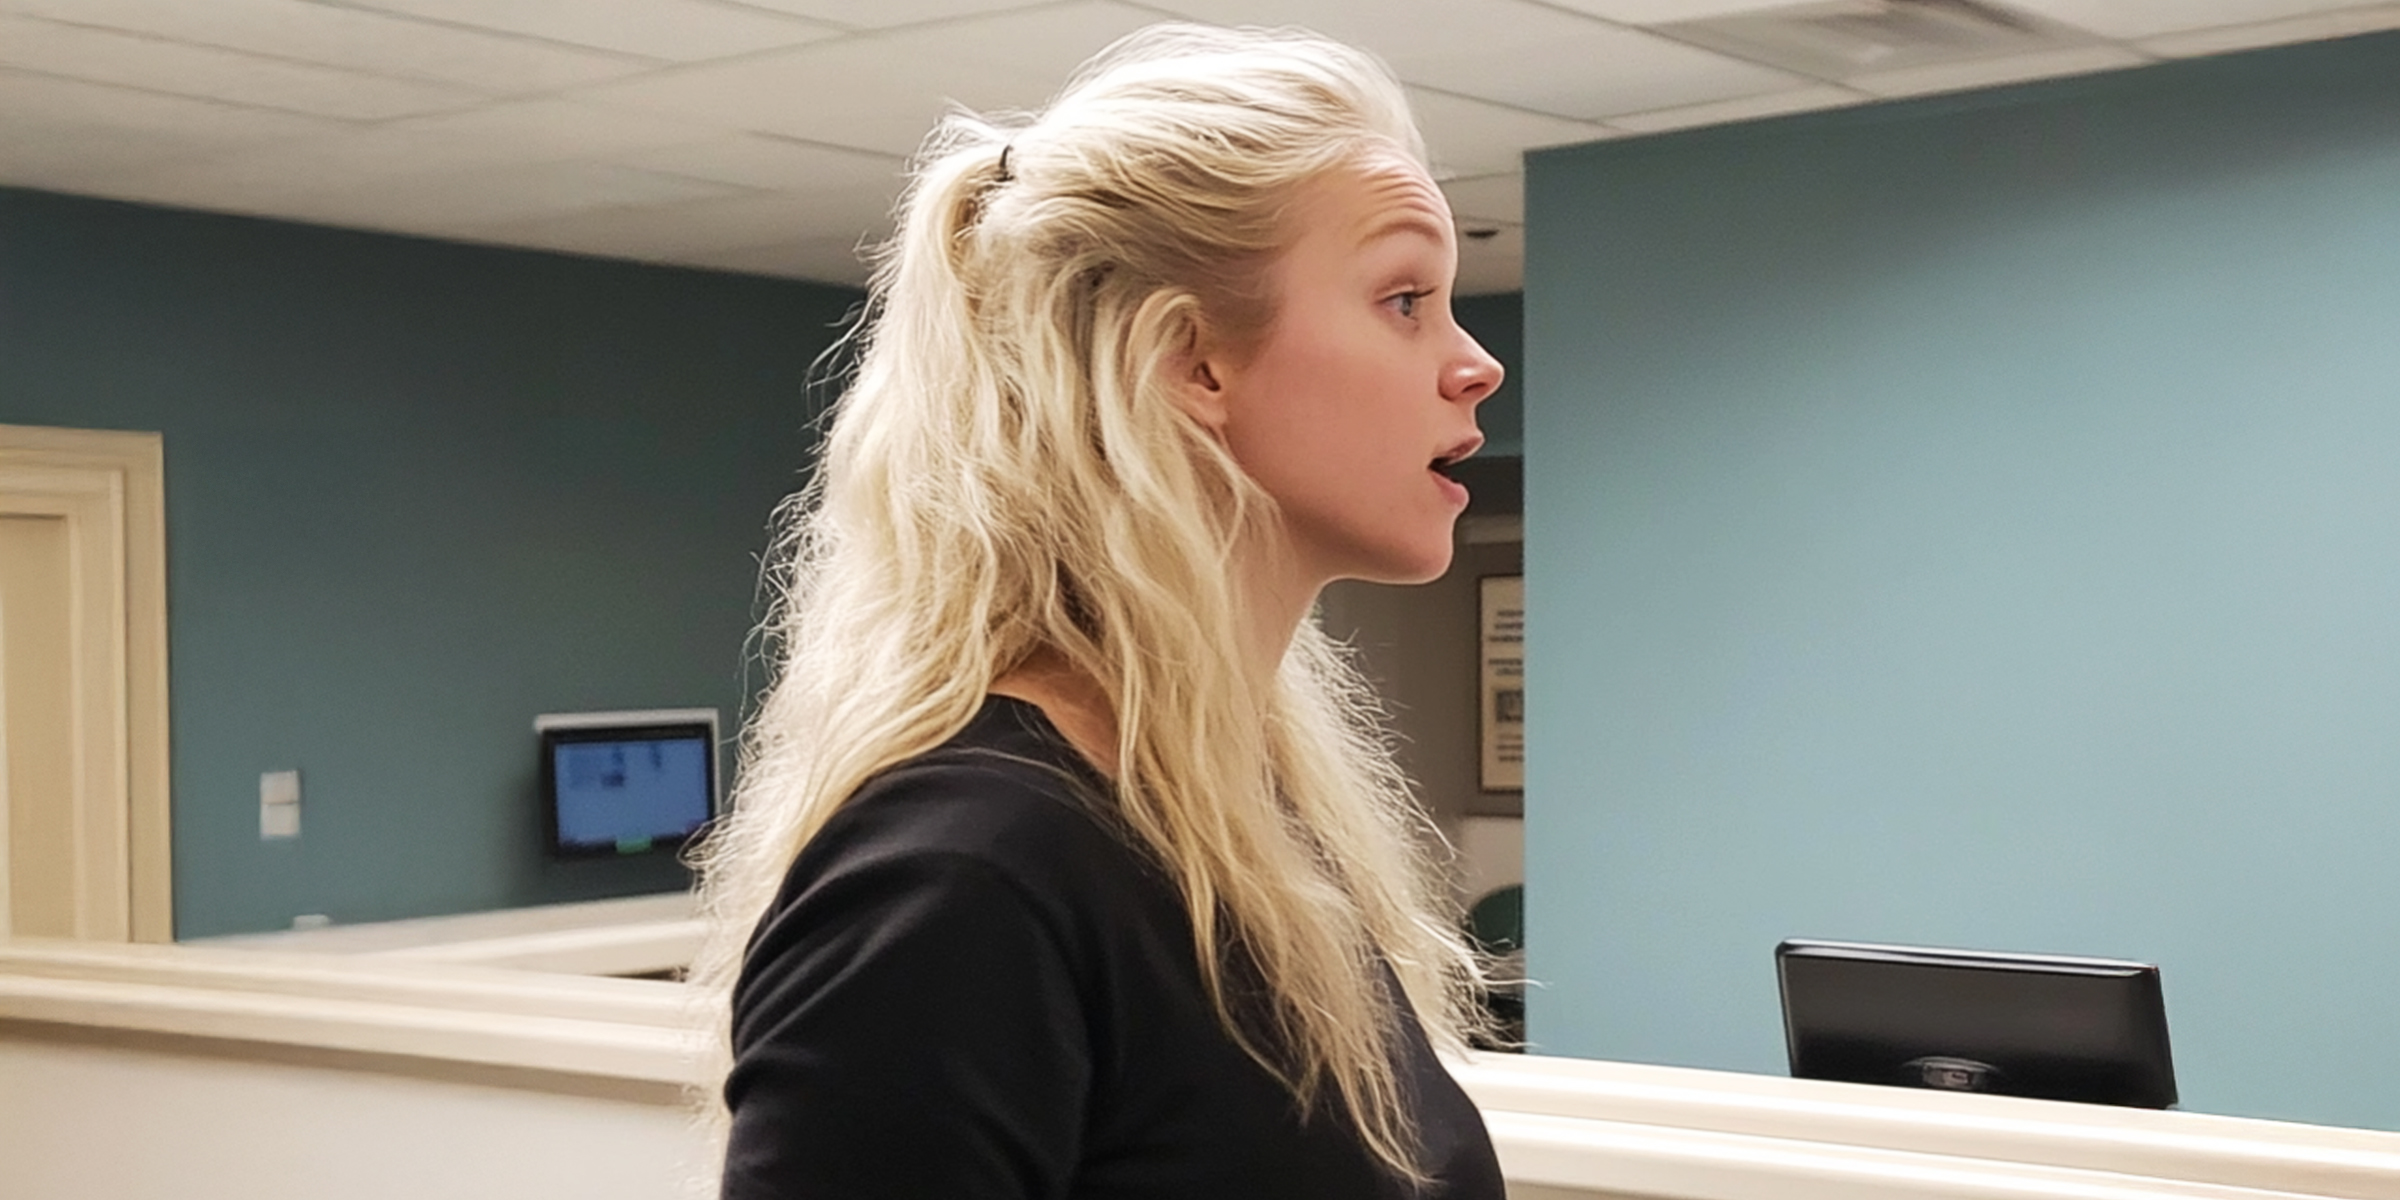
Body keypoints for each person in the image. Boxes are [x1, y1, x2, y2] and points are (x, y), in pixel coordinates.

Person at [690, 22, 1508, 1199]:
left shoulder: (1230, 820)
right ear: (1193, 363)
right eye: (1403, 299)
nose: (1473, 362)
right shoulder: (965, 875)